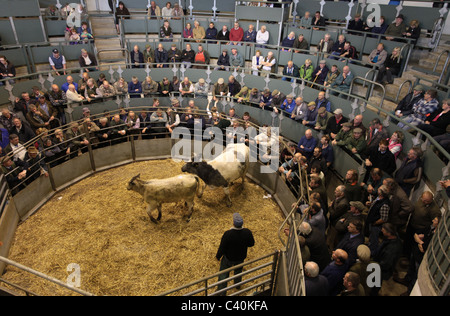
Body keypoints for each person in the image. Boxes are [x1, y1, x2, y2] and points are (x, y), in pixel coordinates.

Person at [215, 213, 255, 295]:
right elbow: (251, 244)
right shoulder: (247, 232)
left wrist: (218, 256)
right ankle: (237, 285)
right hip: (240, 257)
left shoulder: (228, 234)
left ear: (233, 223)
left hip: (228, 258)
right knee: (238, 271)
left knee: (223, 274)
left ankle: (221, 292)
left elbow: (222, 247)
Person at [371, 223, 403, 296]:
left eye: (384, 230)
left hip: (381, 269)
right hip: (379, 262)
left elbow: (386, 264)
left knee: (375, 284)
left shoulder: (392, 248)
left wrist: (374, 264)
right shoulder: (391, 238)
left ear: (389, 233)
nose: (382, 230)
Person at [365, 185, 391, 256]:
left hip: (376, 226)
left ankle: (371, 255)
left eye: (379, 189)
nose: (377, 190)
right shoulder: (379, 198)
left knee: (374, 242)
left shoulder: (385, 205)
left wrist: (375, 223)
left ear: (381, 193)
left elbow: (384, 218)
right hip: (371, 222)